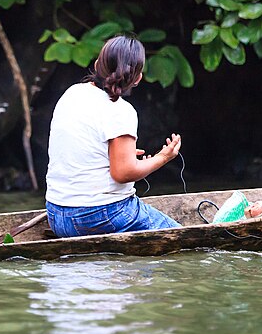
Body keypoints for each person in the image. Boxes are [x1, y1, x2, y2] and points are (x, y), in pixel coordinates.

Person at [45, 34, 182, 238]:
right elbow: (123, 173)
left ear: (98, 64)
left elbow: (77, 146)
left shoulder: (72, 93)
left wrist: (112, 153)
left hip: (57, 214)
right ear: (137, 78)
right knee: (181, 239)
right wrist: (163, 157)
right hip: (100, 214)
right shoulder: (120, 111)